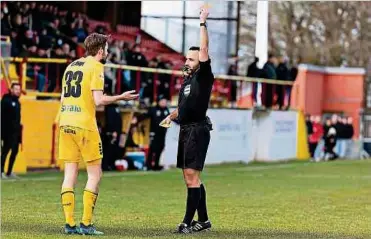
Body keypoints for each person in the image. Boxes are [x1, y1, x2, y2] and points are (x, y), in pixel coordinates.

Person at [57, 33, 138, 235]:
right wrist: (121, 97)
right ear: (101, 50)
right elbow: (99, 100)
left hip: (65, 122)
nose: (108, 52)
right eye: (108, 48)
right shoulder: (97, 66)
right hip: (84, 125)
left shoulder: (72, 66)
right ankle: (86, 224)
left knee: (70, 174)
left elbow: (62, 99)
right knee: (95, 174)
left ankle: (69, 224)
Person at [162, 6, 214, 234]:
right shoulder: (187, 81)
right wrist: (172, 115)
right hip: (186, 129)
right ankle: (203, 220)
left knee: (191, 176)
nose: (187, 62)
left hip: (197, 131)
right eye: (186, 58)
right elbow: (184, 107)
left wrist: (202, 22)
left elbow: (204, 47)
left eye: (191, 59)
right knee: (189, 176)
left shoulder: (203, 75)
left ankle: (186, 222)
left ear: (200, 62)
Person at [1, 83, 22, 179]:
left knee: (15, 151)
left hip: (16, 133)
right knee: (5, 151)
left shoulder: (18, 102)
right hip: (7, 132)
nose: (18, 91)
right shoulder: (5, 100)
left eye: (19, 89)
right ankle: (1, 172)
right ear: (11, 90)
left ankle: (9, 172)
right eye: (16, 89)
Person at [146, 95, 170, 171]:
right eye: (162, 101)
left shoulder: (166, 110)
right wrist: (136, 120)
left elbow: (171, 118)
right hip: (154, 133)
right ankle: (148, 166)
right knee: (152, 149)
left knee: (160, 149)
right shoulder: (153, 109)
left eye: (165, 101)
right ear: (158, 102)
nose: (164, 103)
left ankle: (156, 165)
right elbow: (146, 115)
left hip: (162, 133)